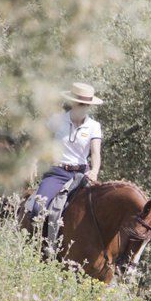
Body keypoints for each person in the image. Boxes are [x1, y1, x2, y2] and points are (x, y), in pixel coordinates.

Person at [30, 82, 103, 219]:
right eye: (80, 104)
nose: (84, 107)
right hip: (58, 173)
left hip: (82, 175)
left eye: (87, 105)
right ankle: (37, 239)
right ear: (73, 103)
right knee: (37, 209)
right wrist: (33, 162)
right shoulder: (57, 120)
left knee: (98, 212)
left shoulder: (94, 126)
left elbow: (95, 153)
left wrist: (94, 171)